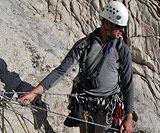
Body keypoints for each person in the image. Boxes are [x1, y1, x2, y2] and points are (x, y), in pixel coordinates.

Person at [19, 1, 134, 133]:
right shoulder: (84, 45)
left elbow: (127, 83)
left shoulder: (122, 50)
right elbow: (61, 71)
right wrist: (34, 93)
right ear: (107, 23)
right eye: (119, 27)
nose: (122, 30)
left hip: (107, 108)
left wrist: (128, 116)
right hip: (85, 105)